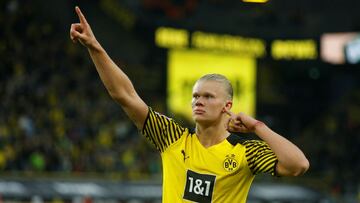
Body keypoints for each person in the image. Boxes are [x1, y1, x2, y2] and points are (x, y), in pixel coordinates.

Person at [70, 6, 309, 203]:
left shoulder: (247, 151)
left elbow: (298, 165)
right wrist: (95, 47)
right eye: (195, 96)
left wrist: (257, 127)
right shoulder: (171, 137)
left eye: (208, 97)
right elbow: (125, 95)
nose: (198, 102)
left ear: (227, 105)